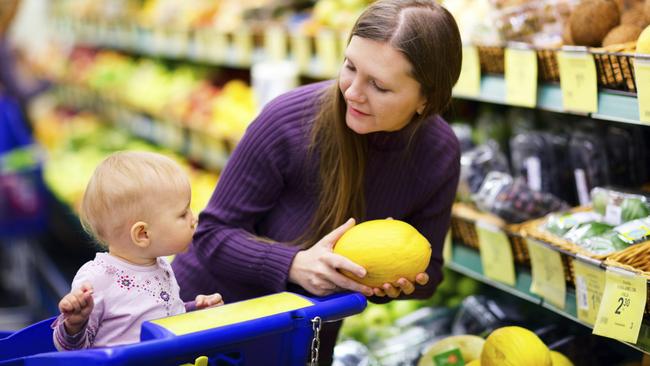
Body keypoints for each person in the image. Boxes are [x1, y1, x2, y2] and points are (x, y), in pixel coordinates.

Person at [173, 0, 462, 363]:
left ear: (426, 99)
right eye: (350, 67)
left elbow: (430, 272)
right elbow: (211, 234)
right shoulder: (288, 121)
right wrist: (294, 265)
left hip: (305, 339)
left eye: (379, 86)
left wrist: (386, 284)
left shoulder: (439, 153)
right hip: (210, 322)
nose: (353, 92)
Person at [52, 151, 224, 351]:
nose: (194, 218)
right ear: (143, 234)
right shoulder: (96, 280)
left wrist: (193, 310)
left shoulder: (160, 264)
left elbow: (159, 317)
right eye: (183, 213)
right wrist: (75, 324)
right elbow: (71, 351)